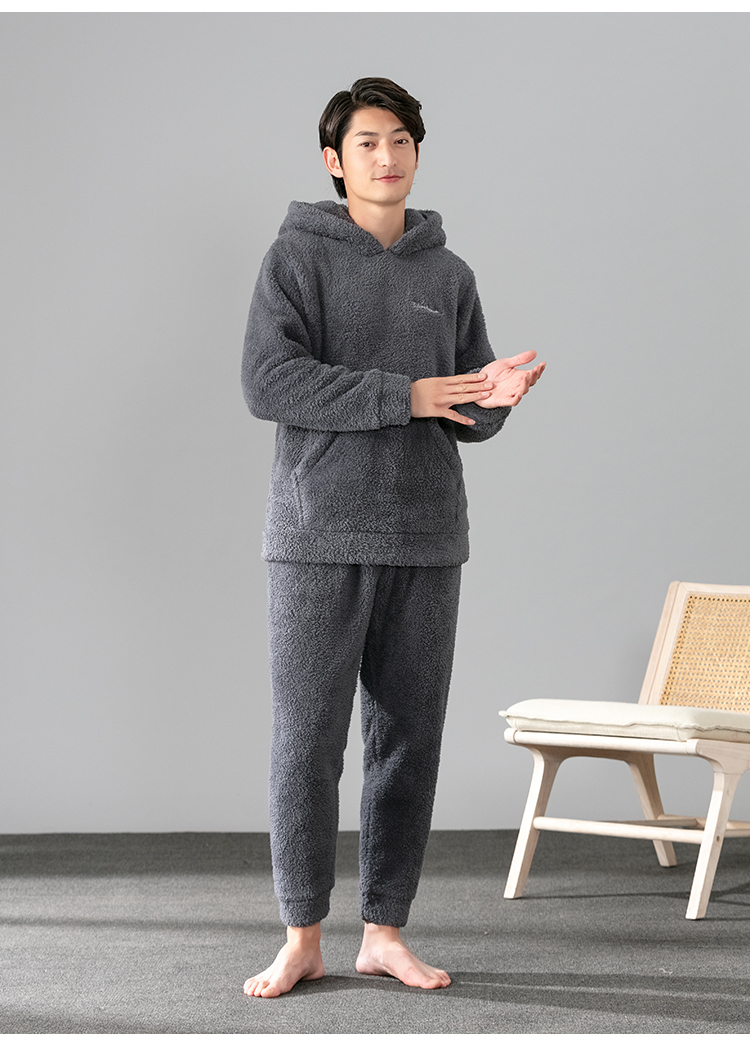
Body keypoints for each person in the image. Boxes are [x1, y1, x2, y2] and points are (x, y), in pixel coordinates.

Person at [241, 77, 545, 999]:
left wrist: (492, 400)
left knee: (409, 741)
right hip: (317, 535)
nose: (387, 156)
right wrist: (401, 395)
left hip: (426, 535)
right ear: (334, 162)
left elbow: (460, 409)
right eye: (368, 142)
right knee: (308, 743)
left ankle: (384, 932)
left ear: (417, 152)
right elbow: (268, 382)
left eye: (401, 140)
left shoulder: (448, 274)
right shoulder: (295, 259)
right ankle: (301, 936)